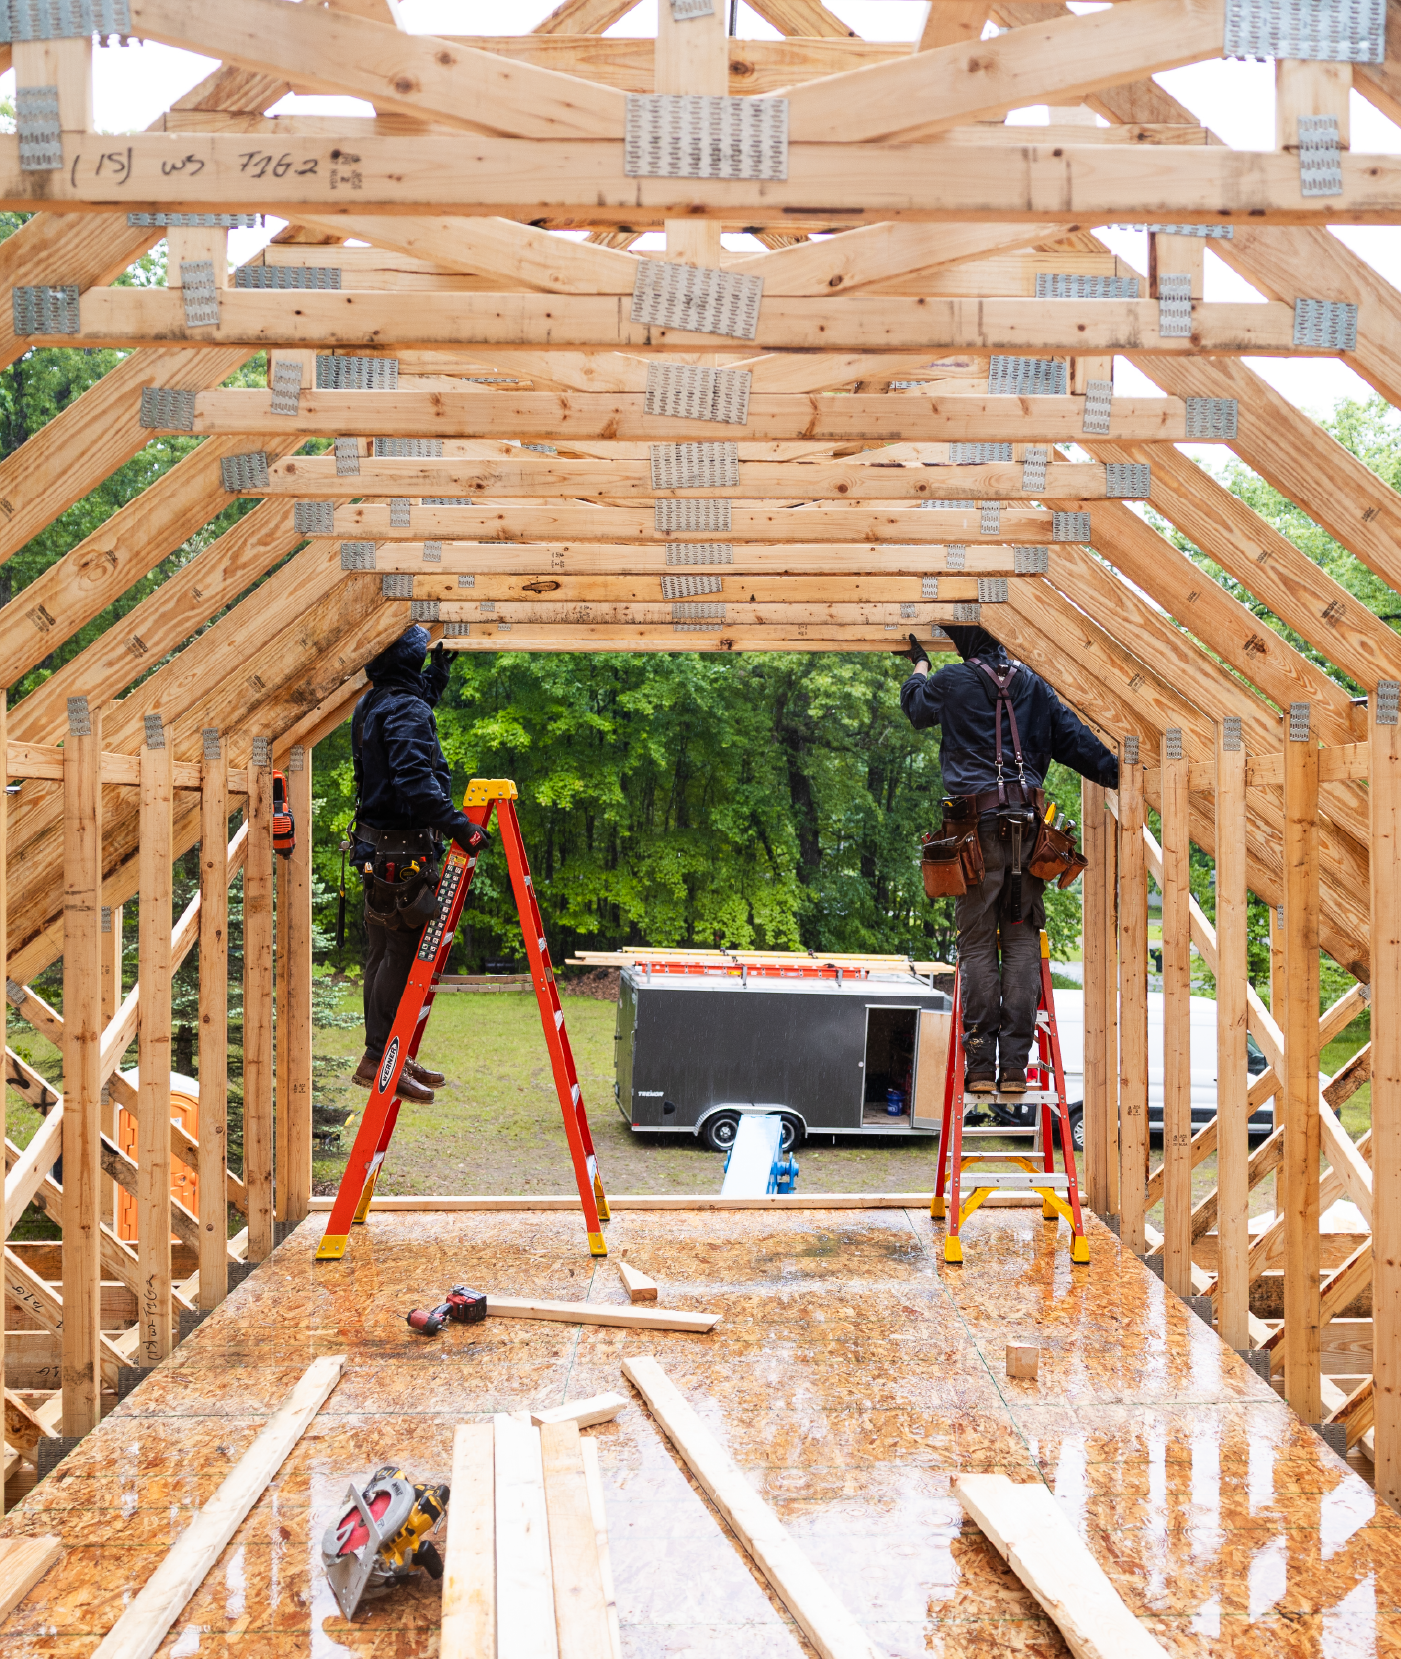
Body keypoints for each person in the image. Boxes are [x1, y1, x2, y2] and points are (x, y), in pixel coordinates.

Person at [899, 624, 1119, 1095]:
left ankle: (980, 1065)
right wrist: (1123, 772)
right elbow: (1077, 744)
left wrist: (919, 666)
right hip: (1028, 828)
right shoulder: (1035, 684)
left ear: (963, 645)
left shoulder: (954, 681)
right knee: (1020, 941)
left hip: (975, 831)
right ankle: (1015, 1068)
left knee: (978, 942)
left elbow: (916, 709)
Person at [349, 625, 490, 1102]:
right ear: (408, 663)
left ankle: (387, 1053)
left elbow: (411, 704)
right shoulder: (403, 708)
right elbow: (414, 779)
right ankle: (380, 1058)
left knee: (379, 953)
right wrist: (459, 827)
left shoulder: (373, 702)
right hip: (403, 855)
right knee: (399, 956)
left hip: (377, 851)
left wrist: (438, 676)